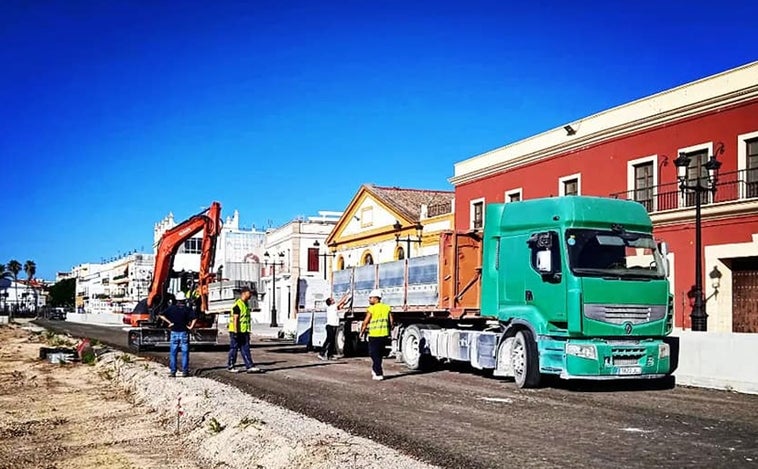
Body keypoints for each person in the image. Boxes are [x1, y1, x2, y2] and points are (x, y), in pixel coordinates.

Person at [158, 291, 197, 378]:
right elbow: (194, 318)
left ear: (177, 300)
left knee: (173, 353)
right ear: (184, 300)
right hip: (184, 332)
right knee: (185, 353)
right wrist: (191, 327)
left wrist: (169, 322)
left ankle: (173, 372)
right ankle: (185, 372)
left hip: (174, 332)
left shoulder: (171, 308)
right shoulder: (187, 309)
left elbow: (161, 315)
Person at [359, 289, 393, 381]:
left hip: (374, 335)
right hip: (384, 334)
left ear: (376, 298)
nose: (369, 300)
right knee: (379, 354)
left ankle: (378, 373)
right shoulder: (387, 307)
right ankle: (375, 369)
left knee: (373, 354)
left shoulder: (371, 309)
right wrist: (390, 330)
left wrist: (362, 332)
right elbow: (391, 321)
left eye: (371, 298)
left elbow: (366, 321)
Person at [227, 286, 261, 373]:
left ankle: (249, 366)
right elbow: (235, 319)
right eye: (249, 293)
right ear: (244, 293)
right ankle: (231, 365)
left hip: (244, 331)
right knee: (234, 348)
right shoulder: (238, 305)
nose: (250, 295)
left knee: (245, 348)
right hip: (237, 331)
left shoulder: (245, 304)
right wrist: (235, 332)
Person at [318, 294, 349, 361]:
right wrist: (346, 295)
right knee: (329, 340)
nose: (333, 300)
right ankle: (321, 353)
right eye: (332, 300)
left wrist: (346, 301)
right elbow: (341, 302)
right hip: (330, 326)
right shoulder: (332, 307)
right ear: (330, 302)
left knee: (332, 341)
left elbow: (341, 305)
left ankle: (330, 355)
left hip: (333, 326)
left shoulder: (333, 307)